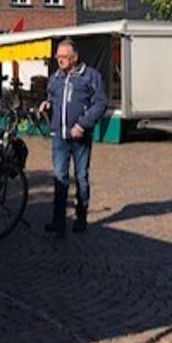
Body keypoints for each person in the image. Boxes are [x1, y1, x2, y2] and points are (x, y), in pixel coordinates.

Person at [38, 39, 107, 236]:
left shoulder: (90, 76)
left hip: (80, 137)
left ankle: (81, 217)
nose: (59, 60)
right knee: (60, 177)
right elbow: (52, 96)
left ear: (74, 57)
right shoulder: (56, 77)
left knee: (81, 177)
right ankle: (58, 220)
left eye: (63, 57)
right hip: (59, 136)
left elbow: (100, 104)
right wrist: (47, 104)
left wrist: (82, 124)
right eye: (57, 57)